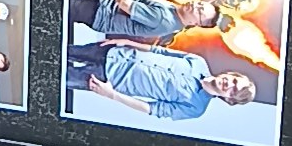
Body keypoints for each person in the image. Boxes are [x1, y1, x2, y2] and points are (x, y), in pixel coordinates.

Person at [66, 39, 255, 122]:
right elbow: (160, 51)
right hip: (114, 52)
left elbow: (151, 109)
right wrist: (127, 42)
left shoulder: (196, 108)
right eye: (234, 81)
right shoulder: (198, 62)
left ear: (229, 99)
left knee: (57, 75)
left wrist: (112, 95)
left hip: (110, 79)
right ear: (232, 74)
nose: (229, 85)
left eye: (233, 91)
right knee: (60, 49)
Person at [68, 0, 220, 44]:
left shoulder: (163, 19)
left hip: (100, 14)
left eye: (199, 11)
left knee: (68, 7)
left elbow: (125, 4)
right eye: (199, 4)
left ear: (196, 23)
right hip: (104, 3)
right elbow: (202, 2)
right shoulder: (180, 15)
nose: (195, 5)